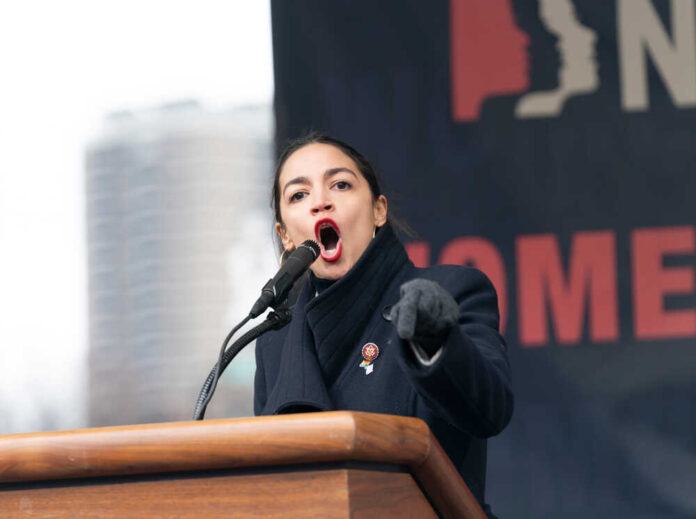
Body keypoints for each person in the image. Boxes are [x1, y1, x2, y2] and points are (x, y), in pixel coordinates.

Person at [254, 133, 513, 518]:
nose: (321, 201)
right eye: (298, 195)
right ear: (285, 236)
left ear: (378, 211)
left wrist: (437, 341)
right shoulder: (273, 341)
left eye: (340, 184)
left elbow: (490, 409)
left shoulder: (450, 292)